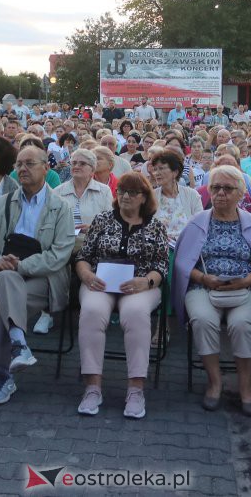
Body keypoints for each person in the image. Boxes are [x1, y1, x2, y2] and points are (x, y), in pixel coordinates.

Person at [0, 145, 73, 405]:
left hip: (45, 280)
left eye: (30, 163)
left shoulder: (60, 207)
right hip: (4, 272)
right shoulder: (3, 204)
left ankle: (3, 374)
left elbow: (60, 254)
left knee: (9, 299)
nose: (22, 169)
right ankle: (18, 346)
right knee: (7, 284)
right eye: (19, 164)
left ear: (46, 168)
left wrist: (20, 266)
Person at [174, 165, 251, 416]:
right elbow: (183, 263)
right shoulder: (197, 223)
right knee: (203, 320)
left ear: (241, 193)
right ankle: (214, 383)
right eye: (215, 188)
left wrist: (247, 281)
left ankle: (246, 387)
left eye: (228, 188)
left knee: (242, 324)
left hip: (247, 288)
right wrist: (203, 278)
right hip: (204, 286)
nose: (221, 193)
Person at [74, 171, 169, 419]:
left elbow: (161, 266)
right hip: (100, 283)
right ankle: (93, 387)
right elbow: (83, 256)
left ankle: (136, 389)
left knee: (135, 313)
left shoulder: (157, 226)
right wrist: (86, 275)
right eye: (122, 191)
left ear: (144, 197)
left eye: (132, 192)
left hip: (139, 286)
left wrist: (146, 281)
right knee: (92, 311)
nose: (125, 196)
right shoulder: (103, 219)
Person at [150, 150, 203, 246]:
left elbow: (200, 225)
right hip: (159, 247)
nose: (156, 173)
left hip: (187, 245)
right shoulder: (151, 197)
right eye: (155, 169)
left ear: (175, 172)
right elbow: (146, 228)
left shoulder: (192, 195)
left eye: (161, 168)